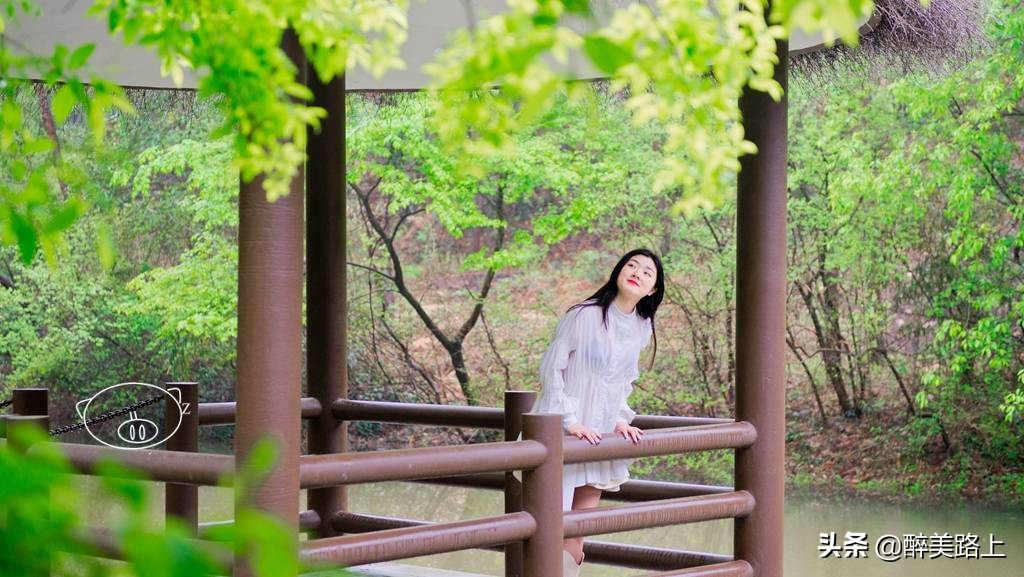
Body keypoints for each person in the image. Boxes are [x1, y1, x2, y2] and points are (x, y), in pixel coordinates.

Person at [530, 248, 664, 576]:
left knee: (577, 535)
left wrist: (619, 418)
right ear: (618, 271)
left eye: (647, 272)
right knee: (550, 529)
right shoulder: (584, 314)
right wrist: (570, 422)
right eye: (631, 265)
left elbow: (623, 379)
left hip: (599, 437)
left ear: (653, 290)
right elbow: (551, 370)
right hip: (564, 432)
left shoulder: (641, 326)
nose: (637, 272)